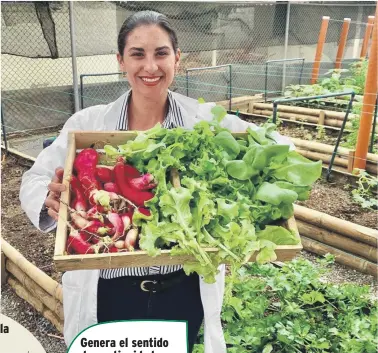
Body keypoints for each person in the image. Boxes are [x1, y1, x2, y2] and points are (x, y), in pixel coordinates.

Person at [19, 10, 293, 353]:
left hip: (183, 289)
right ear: (121, 60)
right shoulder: (87, 123)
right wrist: (48, 196)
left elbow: (280, 148)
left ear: (177, 58)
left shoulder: (204, 121)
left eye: (161, 53)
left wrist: (261, 177)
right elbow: (34, 179)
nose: (150, 66)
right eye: (138, 54)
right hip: (109, 292)